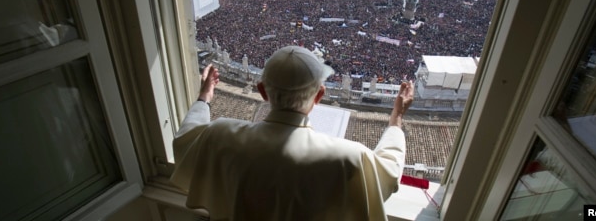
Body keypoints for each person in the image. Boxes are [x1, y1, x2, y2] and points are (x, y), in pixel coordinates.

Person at [171, 45, 414, 221]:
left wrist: (204, 98)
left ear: (262, 92)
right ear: (319, 96)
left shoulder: (220, 134)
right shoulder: (350, 158)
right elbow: (389, 172)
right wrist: (396, 118)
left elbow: (185, 141)